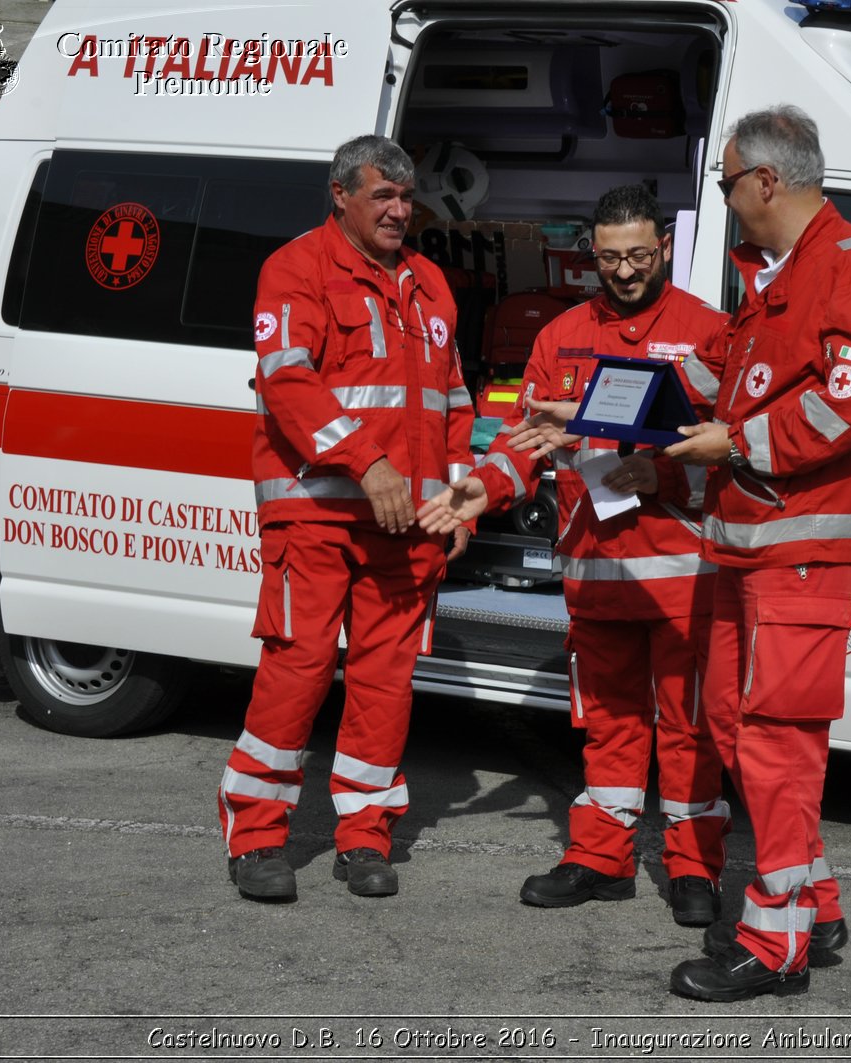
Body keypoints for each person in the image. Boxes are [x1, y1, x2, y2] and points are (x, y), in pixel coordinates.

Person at [419, 185, 732, 926]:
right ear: (592, 254)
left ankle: (694, 866)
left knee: (688, 727)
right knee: (607, 723)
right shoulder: (559, 336)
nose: (624, 272)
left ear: (664, 247)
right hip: (594, 571)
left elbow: (735, 454)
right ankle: (601, 857)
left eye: (638, 256)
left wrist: (658, 470)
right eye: (610, 258)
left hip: (683, 574)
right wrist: (478, 490)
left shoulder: (709, 333)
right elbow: (523, 450)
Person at [662, 105, 851, 1001]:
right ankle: (815, 894)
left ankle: (776, 944)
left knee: (776, 741)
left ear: (766, 180)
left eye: (725, 183)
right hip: (747, 551)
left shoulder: (849, 265)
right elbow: (713, 371)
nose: (725, 201)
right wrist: (593, 411)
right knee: (735, 723)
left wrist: (735, 447)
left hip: (801, 551)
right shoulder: (779, 276)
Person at [218, 135, 475, 902]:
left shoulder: (431, 284)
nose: (400, 211)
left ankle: (364, 833)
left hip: (408, 525)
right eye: (382, 197)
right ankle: (257, 835)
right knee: (297, 672)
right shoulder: (296, 269)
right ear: (340, 196)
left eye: (406, 197)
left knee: (385, 681)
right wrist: (368, 462)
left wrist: (458, 493)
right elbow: (288, 383)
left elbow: (452, 401)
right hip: (319, 512)